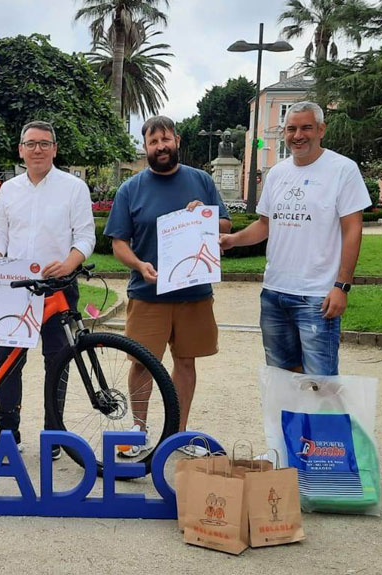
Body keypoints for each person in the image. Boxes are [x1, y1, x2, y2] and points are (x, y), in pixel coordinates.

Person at [104, 115, 231, 458]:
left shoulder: (201, 180)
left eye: (166, 139)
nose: (160, 146)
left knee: (186, 362)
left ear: (177, 140)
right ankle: (139, 430)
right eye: (153, 142)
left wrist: (204, 215)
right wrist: (138, 265)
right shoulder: (131, 188)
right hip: (148, 294)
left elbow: (223, 225)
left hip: (194, 293)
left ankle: (178, 434)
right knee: (142, 363)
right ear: (145, 147)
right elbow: (118, 243)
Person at [0, 120, 95, 460]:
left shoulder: (73, 187)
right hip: (15, 287)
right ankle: (8, 431)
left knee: (58, 360)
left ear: (55, 149)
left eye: (44, 143)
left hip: (58, 287)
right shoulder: (9, 189)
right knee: (9, 362)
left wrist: (71, 262)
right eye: (31, 143)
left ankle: (53, 434)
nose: (37, 149)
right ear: (21, 149)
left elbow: (85, 236)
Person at [220, 101, 370, 375]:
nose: (298, 135)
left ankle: (324, 421)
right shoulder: (277, 173)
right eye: (291, 129)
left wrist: (342, 286)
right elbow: (265, 224)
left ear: (321, 130)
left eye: (306, 128)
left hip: (317, 296)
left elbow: (353, 230)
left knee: (320, 381)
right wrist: (232, 240)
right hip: (274, 293)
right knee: (282, 378)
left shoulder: (343, 170)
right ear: (284, 132)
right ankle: (289, 421)